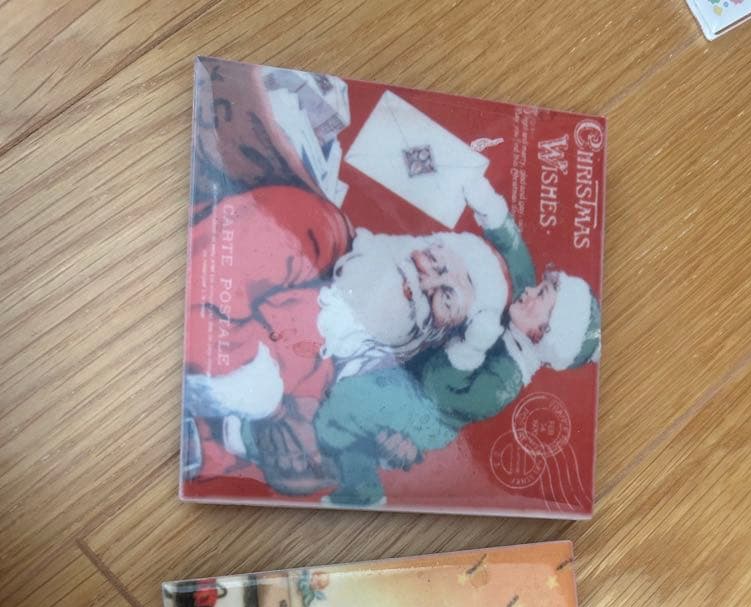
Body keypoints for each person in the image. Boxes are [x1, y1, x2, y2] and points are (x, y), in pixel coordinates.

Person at [184, 182, 512, 494]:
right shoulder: (318, 228)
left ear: (437, 336)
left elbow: (296, 454)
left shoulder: (357, 371)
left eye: (446, 299)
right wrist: (264, 401)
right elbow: (206, 290)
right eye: (435, 263)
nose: (423, 284)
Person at [311, 181, 601, 506]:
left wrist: (471, 346)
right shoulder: (523, 302)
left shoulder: (502, 383)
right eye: (539, 288)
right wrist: (489, 206)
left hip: (427, 412)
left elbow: (438, 388)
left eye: (540, 296)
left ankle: (361, 486)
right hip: (422, 361)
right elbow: (515, 252)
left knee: (347, 403)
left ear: (541, 335)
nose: (530, 291)